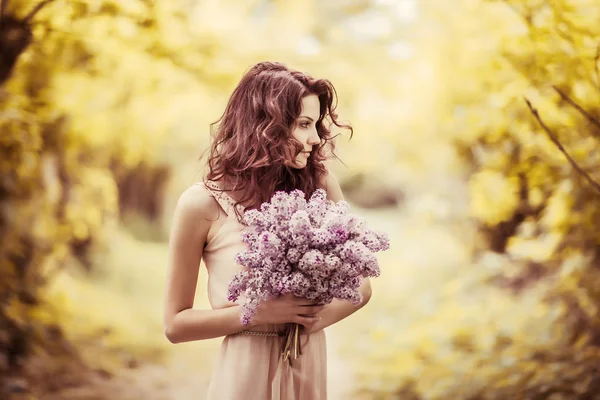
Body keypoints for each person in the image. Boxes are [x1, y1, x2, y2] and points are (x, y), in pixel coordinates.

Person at [163, 61, 372, 400]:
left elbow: (361, 286)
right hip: (244, 374)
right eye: (304, 124)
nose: (315, 138)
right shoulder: (201, 204)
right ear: (264, 126)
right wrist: (258, 314)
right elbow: (175, 325)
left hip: (306, 365)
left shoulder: (320, 185)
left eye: (316, 124)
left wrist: (306, 321)